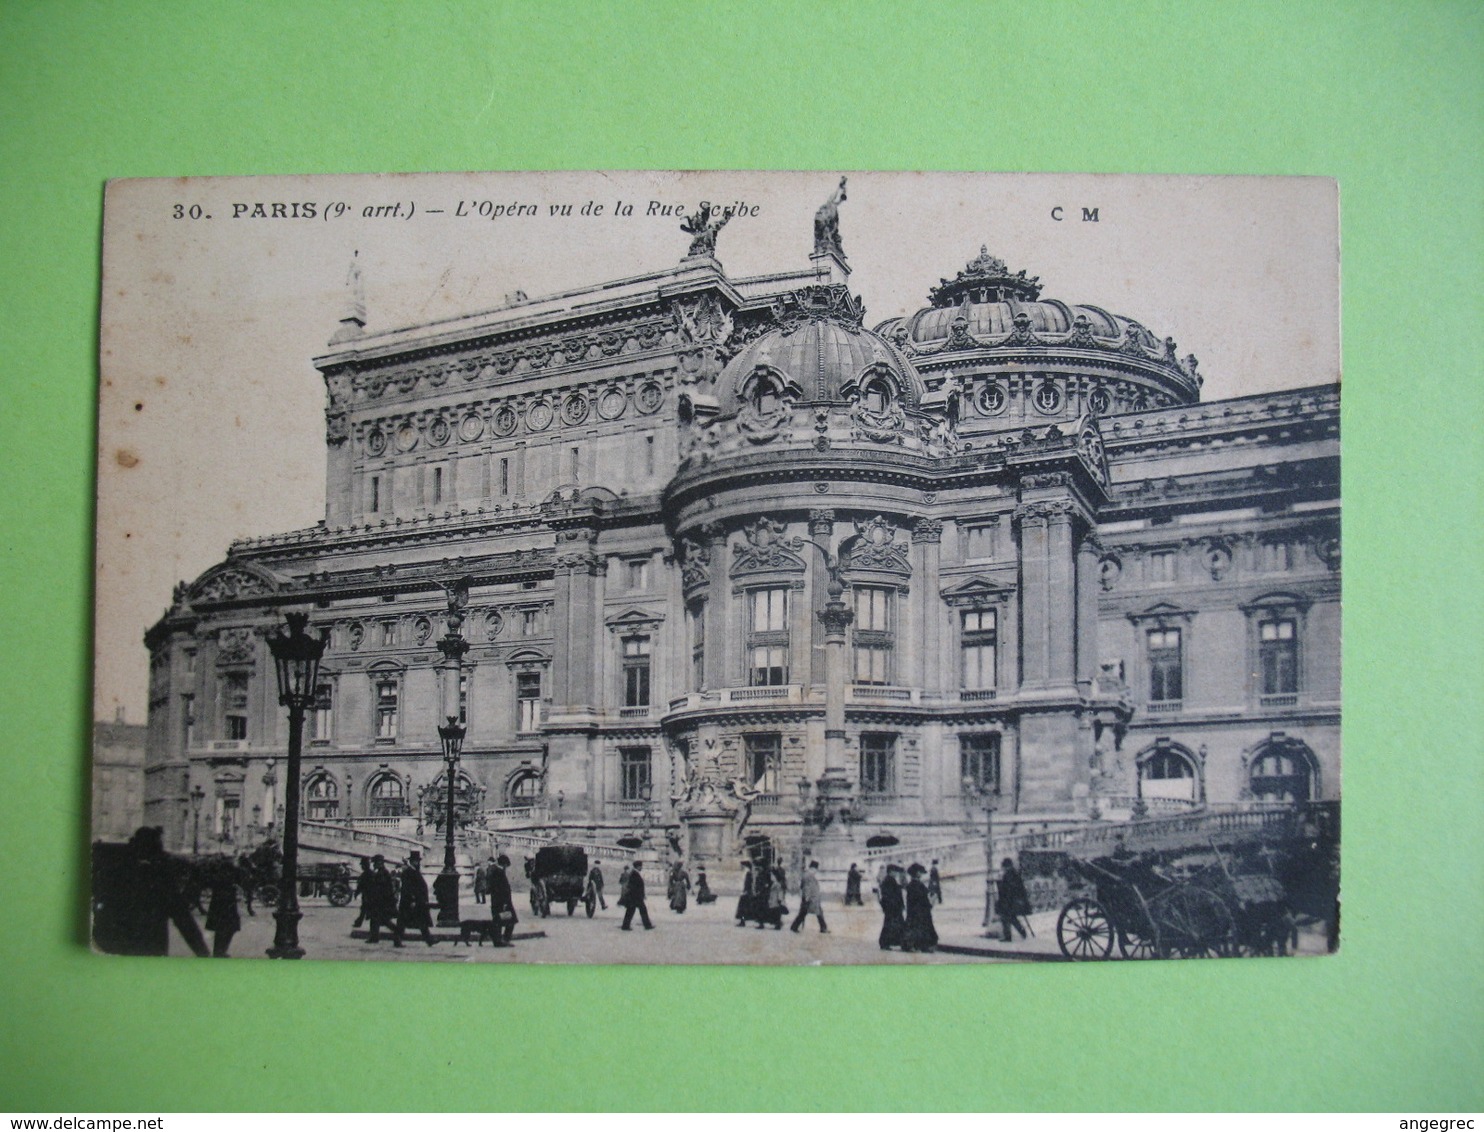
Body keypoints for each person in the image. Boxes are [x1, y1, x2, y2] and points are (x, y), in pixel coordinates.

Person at [204, 857, 252, 957]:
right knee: (227, 928)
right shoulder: (227, 874)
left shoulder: (220, 874)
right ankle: (219, 952)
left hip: (221, 906)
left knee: (222, 929)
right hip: (226, 906)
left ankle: (219, 951)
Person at [395, 850, 436, 947]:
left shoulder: (413, 871)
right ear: (413, 861)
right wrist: (412, 900)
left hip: (415, 901)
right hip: (410, 902)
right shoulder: (408, 872)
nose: (418, 863)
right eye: (416, 861)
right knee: (403, 922)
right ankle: (397, 941)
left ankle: (429, 940)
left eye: (418, 861)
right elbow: (408, 888)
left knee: (420, 922)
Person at [362, 854, 398, 944]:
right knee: (376, 920)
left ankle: (398, 932)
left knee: (382, 921)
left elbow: (380, 889)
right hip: (380, 902)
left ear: (380, 863)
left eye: (375, 863)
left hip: (381, 902)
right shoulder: (382, 872)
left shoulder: (382, 873)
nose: (373, 865)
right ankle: (374, 937)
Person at [903, 863, 939, 953]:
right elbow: (921, 898)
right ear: (916, 873)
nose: (921, 874)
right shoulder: (916, 885)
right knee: (920, 928)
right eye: (920, 872)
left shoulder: (913, 885)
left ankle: (917, 945)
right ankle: (920, 946)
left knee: (917, 928)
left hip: (916, 911)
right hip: (919, 911)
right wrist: (932, 901)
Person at [995, 857, 1032, 942]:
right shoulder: (1014, 874)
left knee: (1006, 917)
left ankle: (1009, 936)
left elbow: (1007, 890)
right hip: (1016, 902)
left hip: (1012, 902)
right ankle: (1021, 932)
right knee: (1012, 918)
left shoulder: (1008, 875)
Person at [790, 860, 828, 934]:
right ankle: (823, 928)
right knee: (808, 913)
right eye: (816, 870)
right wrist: (807, 897)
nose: (816, 871)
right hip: (810, 899)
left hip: (812, 898)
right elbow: (806, 888)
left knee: (810, 912)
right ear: (813, 868)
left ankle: (794, 926)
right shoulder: (808, 876)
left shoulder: (807, 875)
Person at [487, 854, 517, 945]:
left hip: (497, 901)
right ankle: (504, 940)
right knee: (511, 921)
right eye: (506, 865)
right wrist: (504, 903)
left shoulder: (495, 871)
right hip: (502, 902)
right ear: (504, 864)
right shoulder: (499, 873)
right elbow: (501, 889)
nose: (506, 868)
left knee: (498, 921)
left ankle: (499, 940)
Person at [877, 864, 906, 951]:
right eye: (895, 872)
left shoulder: (889, 880)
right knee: (891, 925)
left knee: (891, 925)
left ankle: (888, 942)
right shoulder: (890, 880)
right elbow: (892, 895)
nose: (896, 873)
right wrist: (897, 905)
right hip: (893, 908)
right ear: (891, 872)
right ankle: (886, 942)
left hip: (892, 907)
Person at [619, 860, 653, 930]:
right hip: (635, 897)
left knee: (632, 911)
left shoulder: (634, 873)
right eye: (641, 866)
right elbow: (635, 886)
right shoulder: (634, 874)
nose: (642, 868)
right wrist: (640, 895)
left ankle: (625, 925)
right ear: (638, 866)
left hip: (634, 896)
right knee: (640, 910)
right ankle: (647, 925)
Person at [352, 856, 372, 928]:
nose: (361, 867)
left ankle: (359, 922)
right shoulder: (370, 873)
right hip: (368, 895)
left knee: (365, 909)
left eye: (362, 865)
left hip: (367, 895)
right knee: (364, 909)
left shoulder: (365, 874)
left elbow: (360, 885)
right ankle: (359, 922)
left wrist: (356, 893)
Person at [735, 861, 756, 927]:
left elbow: (748, 883)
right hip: (747, 892)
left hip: (746, 892)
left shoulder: (748, 873)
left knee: (743, 908)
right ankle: (743, 920)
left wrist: (746, 891)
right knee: (745, 908)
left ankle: (742, 921)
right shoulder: (750, 873)